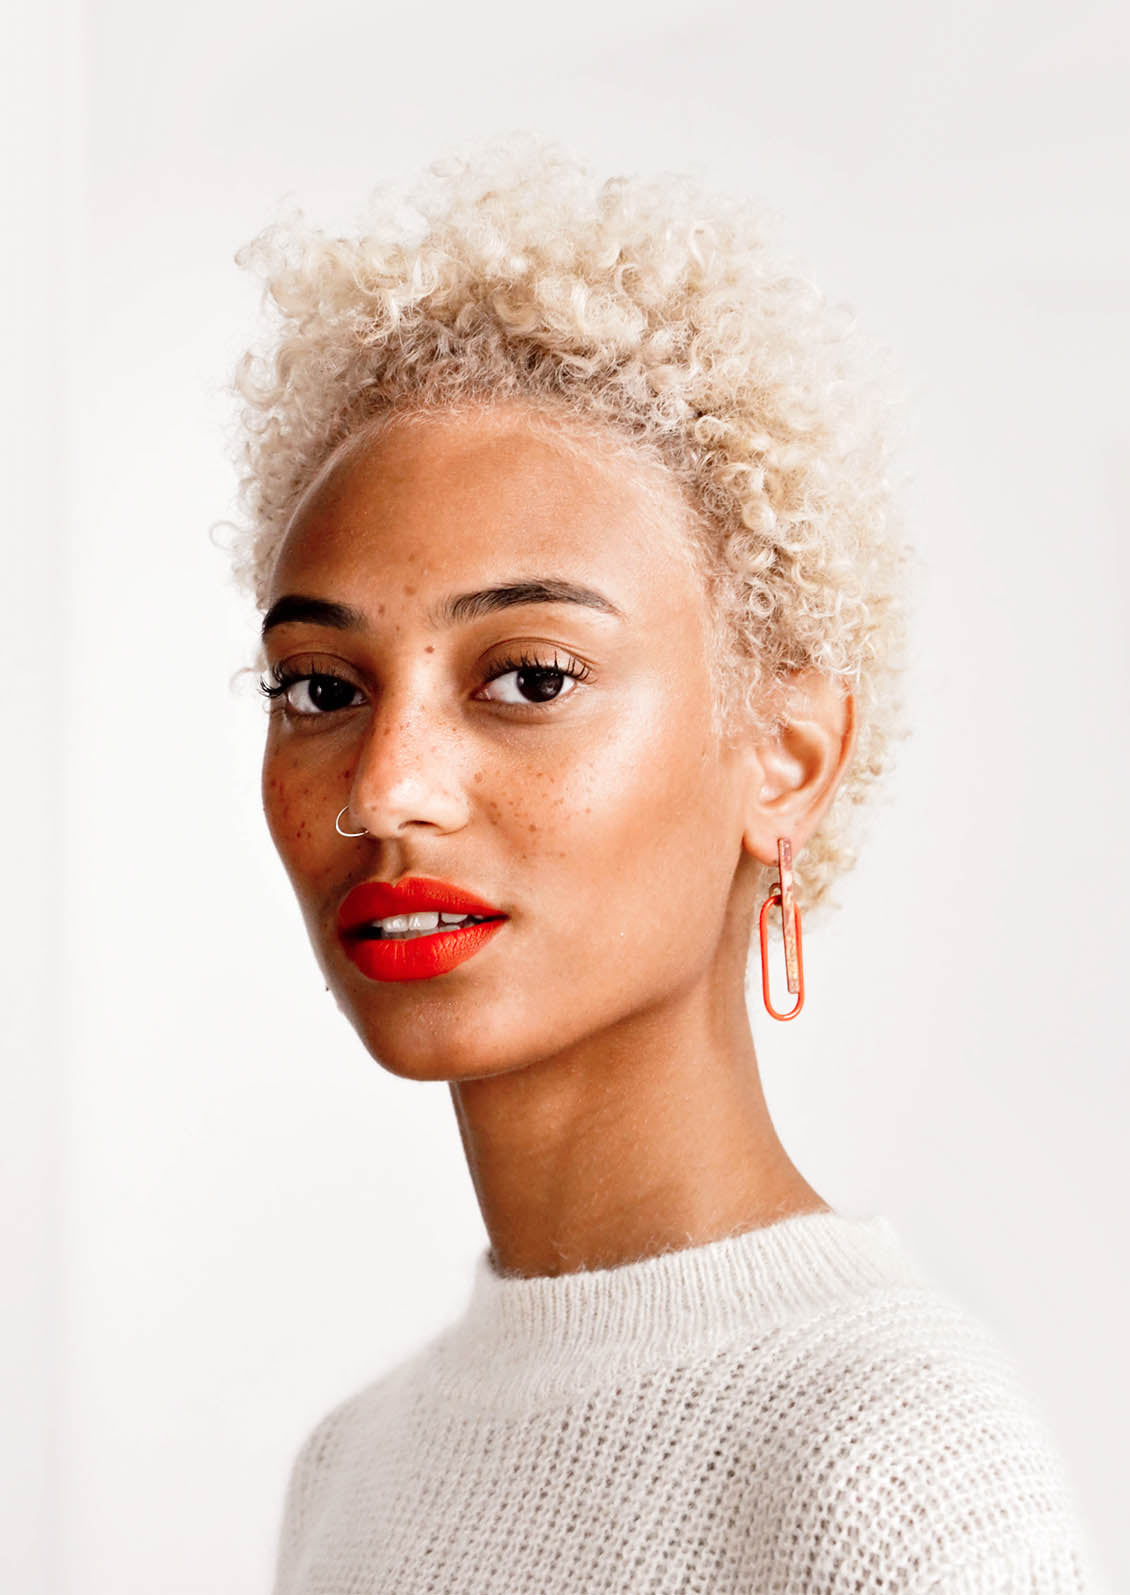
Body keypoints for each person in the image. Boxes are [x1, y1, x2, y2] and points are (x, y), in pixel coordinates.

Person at [226, 136, 1105, 1594]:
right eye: (321, 688)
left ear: (787, 757)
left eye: (528, 676)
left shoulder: (893, 1462)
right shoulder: (355, 1468)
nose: (385, 791)